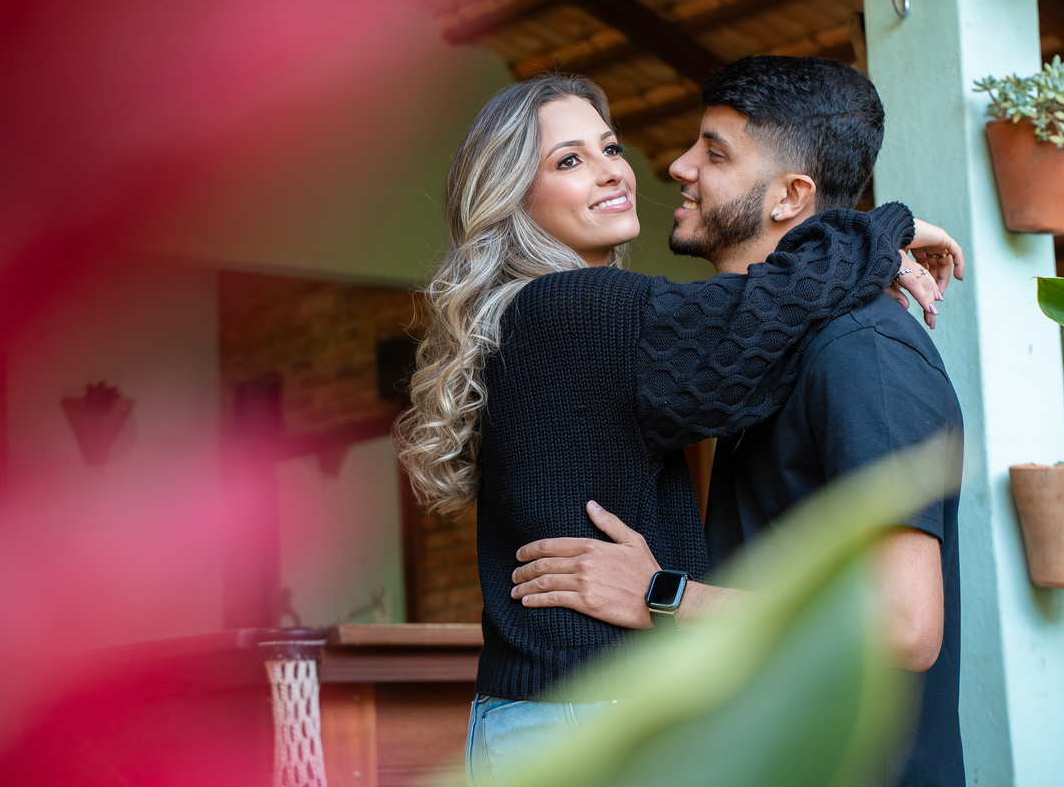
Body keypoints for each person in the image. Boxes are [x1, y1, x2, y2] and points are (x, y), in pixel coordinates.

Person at [393, 72, 959, 787]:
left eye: (608, 147)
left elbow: (765, 315)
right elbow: (771, 299)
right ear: (511, 200)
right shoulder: (575, 310)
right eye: (568, 161)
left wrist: (664, 594)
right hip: (585, 720)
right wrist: (887, 228)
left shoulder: (549, 320)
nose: (616, 171)